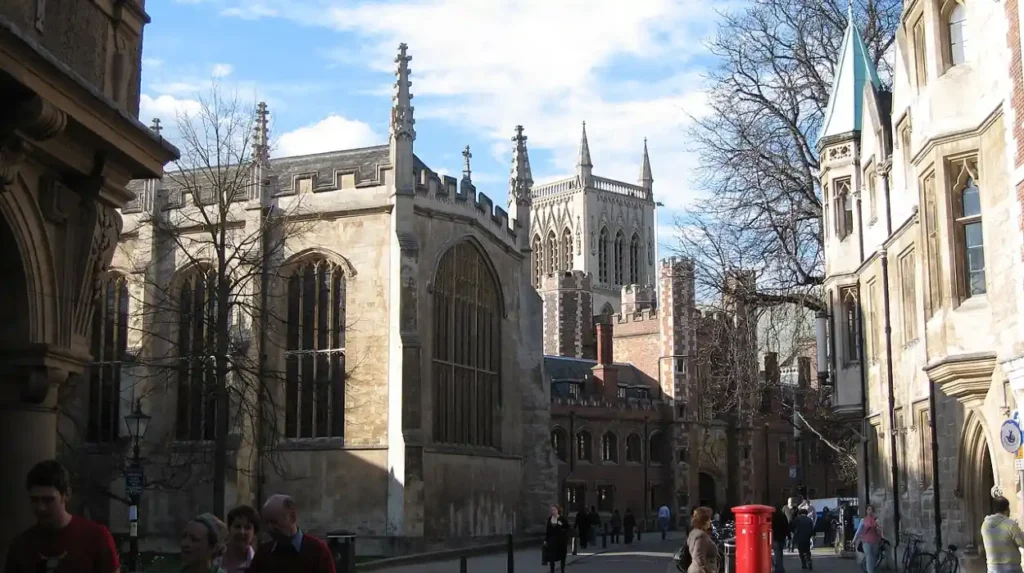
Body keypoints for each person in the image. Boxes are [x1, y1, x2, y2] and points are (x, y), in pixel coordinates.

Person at [3, 460, 121, 573]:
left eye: (48, 500)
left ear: (67, 494)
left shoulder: (97, 537)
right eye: (34, 500)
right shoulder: (21, 545)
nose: (40, 507)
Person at [249, 494, 335, 573]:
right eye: (267, 522)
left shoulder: (318, 551)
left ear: (293, 517)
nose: (270, 528)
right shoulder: (263, 553)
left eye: (274, 522)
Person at [981, 496, 1024, 573]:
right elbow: (1022, 542)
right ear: (1007, 509)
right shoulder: (1010, 524)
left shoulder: (985, 525)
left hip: (992, 568)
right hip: (1011, 567)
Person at [217, 505, 259, 572]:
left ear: (254, 533)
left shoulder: (258, 564)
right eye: (237, 527)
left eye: (247, 527)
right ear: (228, 529)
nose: (242, 532)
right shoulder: (214, 558)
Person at [687, 506, 719, 573]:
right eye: (709, 519)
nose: (710, 521)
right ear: (704, 521)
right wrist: (707, 570)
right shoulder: (701, 536)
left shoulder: (694, 532)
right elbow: (698, 557)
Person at [851, 504, 882, 573]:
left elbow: (880, 531)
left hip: (875, 541)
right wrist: (854, 540)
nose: (870, 511)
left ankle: (871, 569)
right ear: (866, 511)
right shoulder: (863, 520)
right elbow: (859, 531)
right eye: (869, 509)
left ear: (873, 511)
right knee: (868, 556)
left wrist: (878, 528)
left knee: (874, 557)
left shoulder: (876, 520)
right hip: (866, 541)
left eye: (871, 510)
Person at [543, 505, 570, 573]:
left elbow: (567, 528)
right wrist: (545, 540)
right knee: (551, 556)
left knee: (562, 556)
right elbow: (548, 530)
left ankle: (562, 570)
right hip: (552, 540)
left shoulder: (562, 518)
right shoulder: (549, 519)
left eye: (554, 510)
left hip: (561, 540)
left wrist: (561, 525)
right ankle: (552, 570)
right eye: (552, 510)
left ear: (558, 510)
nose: (553, 511)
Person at [771, 506, 790, 573]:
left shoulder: (772, 517)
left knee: (777, 554)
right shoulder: (783, 516)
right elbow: (787, 526)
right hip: (782, 538)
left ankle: (779, 569)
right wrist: (789, 536)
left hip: (775, 538)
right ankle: (779, 568)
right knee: (780, 554)